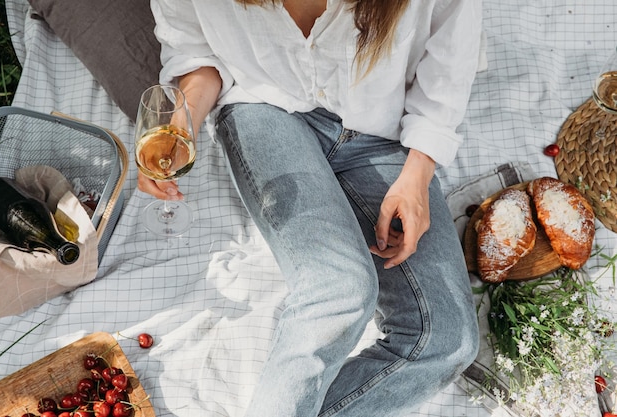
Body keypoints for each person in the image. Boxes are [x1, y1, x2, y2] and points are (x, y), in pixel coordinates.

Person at [142, 0, 482, 416]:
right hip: (263, 108)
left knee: (446, 339)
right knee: (340, 289)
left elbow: (449, 59)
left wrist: (418, 173)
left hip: (383, 128)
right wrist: (183, 123)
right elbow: (198, 55)